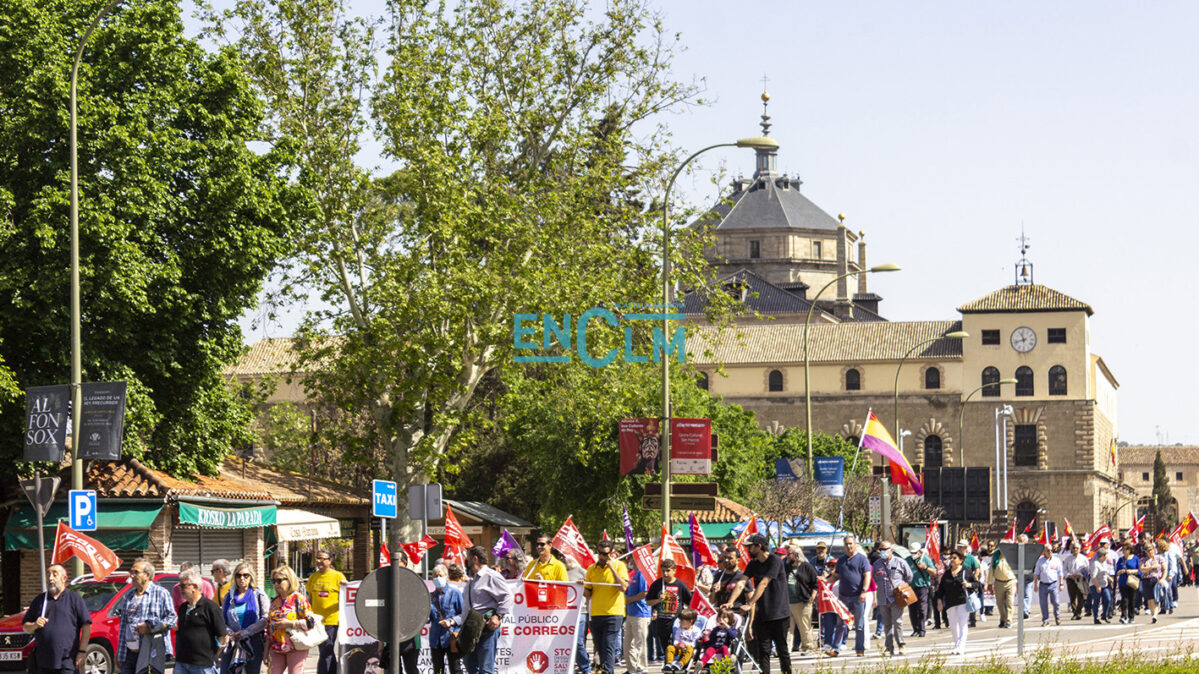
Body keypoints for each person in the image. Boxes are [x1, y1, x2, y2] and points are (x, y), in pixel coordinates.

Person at [23, 564, 91, 674]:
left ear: (64, 578)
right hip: (43, 662)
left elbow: (86, 626)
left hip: (67, 661)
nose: (50, 578)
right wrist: (35, 624)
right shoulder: (39, 601)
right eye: (48, 574)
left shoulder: (74, 599)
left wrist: (82, 651)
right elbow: (26, 627)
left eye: (55, 574)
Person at [740, 534, 792, 674]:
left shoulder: (774, 561)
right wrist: (730, 602)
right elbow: (742, 582)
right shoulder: (753, 564)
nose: (747, 549)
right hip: (762, 614)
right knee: (763, 650)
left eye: (750, 546)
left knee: (782, 650)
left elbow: (763, 584)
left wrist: (749, 603)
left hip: (779, 613)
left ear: (759, 546)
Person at [116, 559, 178, 674]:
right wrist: (120, 654)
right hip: (129, 653)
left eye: (136, 572)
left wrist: (151, 628)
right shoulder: (129, 596)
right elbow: (124, 626)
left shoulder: (161, 593)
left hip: (150, 652)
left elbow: (172, 619)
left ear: (147, 575)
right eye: (131, 572)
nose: (132, 575)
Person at [463, 545, 515, 674]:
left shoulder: (491, 576)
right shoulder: (472, 579)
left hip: (486, 629)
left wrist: (498, 616)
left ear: (475, 558)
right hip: (470, 630)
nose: (466, 561)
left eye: (467, 558)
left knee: (486, 670)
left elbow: (507, 596)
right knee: (470, 666)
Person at [175, 567, 228, 674]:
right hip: (181, 663)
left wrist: (215, 655)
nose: (179, 589)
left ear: (194, 586)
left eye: (183, 586)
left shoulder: (210, 607)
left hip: (203, 664)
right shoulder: (183, 608)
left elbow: (223, 636)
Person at [221, 562, 269, 674]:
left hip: (253, 641)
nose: (242, 578)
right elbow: (223, 620)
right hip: (232, 641)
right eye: (238, 575)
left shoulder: (258, 594)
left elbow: (265, 619)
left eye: (245, 575)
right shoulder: (229, 597)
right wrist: (230, 632)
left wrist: (245, 632)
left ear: (251, 576)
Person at [828, 534, 870, 657]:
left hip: (858, 596)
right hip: (844, 597)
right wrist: (825, 580)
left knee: (859, 625)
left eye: (851, 543)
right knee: (841, 624)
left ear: (855, 544)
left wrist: (864, 591)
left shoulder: (862, 559)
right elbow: (836, 576)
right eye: (846, 544)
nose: (849, 546)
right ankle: (836, 649)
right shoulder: (841, 560)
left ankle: (859, 648)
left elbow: (867, 575)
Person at [267, 566, 314, 674]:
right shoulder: (274, 602)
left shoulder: (299, 599)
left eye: (279, 581)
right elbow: (269, 628)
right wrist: (266, 651)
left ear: (289, 580)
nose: (276, 584)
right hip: (276, 647)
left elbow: (311, 623)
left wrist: (290, 623)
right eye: (274, 581)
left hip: (295, 647)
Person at [307, 549, 347, 674]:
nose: (319, 561)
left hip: (332, 620)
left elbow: (347, 594)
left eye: (323, 558)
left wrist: (347, 585)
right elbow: (310, 598)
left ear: (330, 560)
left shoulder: (337, 576)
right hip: (317, 621)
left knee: (326, 649)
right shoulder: (313, 577)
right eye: (317, 558)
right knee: (325, 650)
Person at [871, 540, 912, 657]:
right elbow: (875, 577)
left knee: (897, 621)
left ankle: (901, 645)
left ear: (891, 550)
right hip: (883, 598)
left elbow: (909, 576)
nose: (883, 552)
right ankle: (889, 647)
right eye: (881, 550)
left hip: (896, 598)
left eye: (885, 549)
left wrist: (901, 587)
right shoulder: (877, 564)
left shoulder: (900, 562)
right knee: (887, 624)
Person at [647, 559, 690, 669]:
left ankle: (679, 666)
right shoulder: (657, 584)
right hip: (661, 623)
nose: (665, 574)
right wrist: (658, 600)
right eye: (663, 571)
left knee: (677, 648)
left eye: (668, 571)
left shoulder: (680, 585)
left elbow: (690, 602)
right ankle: (668, 667)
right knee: (666, 649)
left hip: (676, 623)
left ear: (674, 571)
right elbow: (648, 602)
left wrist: (686, 617)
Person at [933, 550, 977, 656]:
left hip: (962, 601)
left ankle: (961, 646)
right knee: (953, 625)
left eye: (954, 558)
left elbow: (976, 584)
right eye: (951, 558)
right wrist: (939, 601)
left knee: (962, 624)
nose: (951, 560)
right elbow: (941, 589)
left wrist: (969, 584)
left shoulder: (966, 571)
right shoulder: (947, 573)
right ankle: (956, 645)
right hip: (950, 602)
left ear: (961, 560)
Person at [429, 564, 465, 674]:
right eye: (435, 576)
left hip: (451, 637)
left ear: (447, 577)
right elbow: (426, 618)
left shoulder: (455, 593)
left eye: (440, 575)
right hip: (436, 639)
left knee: (455, 669)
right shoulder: (430, 596)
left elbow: (463, 614)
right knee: (438, 670)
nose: (437, 578)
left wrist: (451, 621)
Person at [784, 545, 816, 653]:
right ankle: (786, 648)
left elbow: (815, 583)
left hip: (802, 601)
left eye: (790, 554)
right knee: (788, 628)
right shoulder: (786, 567)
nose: (787, 556)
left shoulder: (807, 567)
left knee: (804, 626)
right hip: (788, 602)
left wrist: (812, 596)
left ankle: (808, 646)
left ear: (796, 555)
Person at [564, 554, 592, 674]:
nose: (566, 558)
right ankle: (571, 666)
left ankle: (586, 667)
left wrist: (584, 585)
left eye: (568, 556)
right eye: (564, 556)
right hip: (564, 612)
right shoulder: (562, 572)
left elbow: (591, 592)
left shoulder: (583, 572)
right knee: (566, 641)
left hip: (581, 611)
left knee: (578, 641)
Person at [623, 566, 651, 674]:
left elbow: (644, 593)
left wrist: (628, 600)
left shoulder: (642, 573)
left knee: (640, 643)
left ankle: (642, 668)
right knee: (627, 644)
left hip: (641, 614)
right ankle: (631, 669)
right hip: (631, 613)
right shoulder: (634, 573)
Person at [1032, 544, 1064, 626]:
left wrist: (1061, 584)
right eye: (1048, 550)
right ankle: (1045, 620)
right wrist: (1035, 585)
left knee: (1056, 602)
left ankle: (1057, 617)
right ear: (1044, 552)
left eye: (1051, 550)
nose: (1050, 552)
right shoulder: (1040, 561)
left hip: (1053, 584)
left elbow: (1060, 573)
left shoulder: (1056, 560)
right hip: (1043, 584)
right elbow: (1036, 573)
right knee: (1043, 604)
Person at [905, 542, 933, 637]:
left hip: (922, 587)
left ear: (920, 551)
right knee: (912, 609)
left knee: (921, 608)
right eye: (912, 552)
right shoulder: (907, 560)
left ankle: (922, 629)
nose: (913, 554)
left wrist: (926, 567)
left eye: (915, 552)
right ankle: (915, 629)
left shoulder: (925, 559)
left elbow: (934, 571)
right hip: (910, 587)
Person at [662, 608, 700, 672]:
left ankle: (680, 664)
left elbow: (694, 643)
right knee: (670, 648)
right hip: (679, 648)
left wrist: (686, 645)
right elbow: (676, 639)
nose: (680, 622)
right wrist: (677, 644)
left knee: (690, 649)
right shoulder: (679, 629)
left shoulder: (696, 631)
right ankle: (669, 663)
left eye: (682, 621)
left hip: (688, 649)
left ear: (690, 621)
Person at [955, 541, 981, 627]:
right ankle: (961, 620)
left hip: (968, 582)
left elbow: (977, 569)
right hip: (958, 583)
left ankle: (972, 620)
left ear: (965, 548)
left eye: (961, 547)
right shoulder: (956, 558)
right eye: (958, 547)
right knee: (960, 602)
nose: (959, 548)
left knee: (970, 600)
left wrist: (974, 579)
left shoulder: (970, 558)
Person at [989, 547, 1017, 629]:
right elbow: (991, 570)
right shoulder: (996, 556)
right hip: (999, 583)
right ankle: (1003, 618)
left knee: (1010, 602)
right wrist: (990, 583)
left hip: (1010, 582)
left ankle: (1008, 621)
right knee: (1000, 603)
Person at [1115, 543, 1141, 624]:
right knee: (1125, 599)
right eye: (1122, 549)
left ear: (1129, 550)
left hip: (1132, 581)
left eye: (1125, 549)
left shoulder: (1135, 558)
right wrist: (1120, 572)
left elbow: (1140, 570)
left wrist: (1132, 571)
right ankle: (1123, 616)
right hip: (1123, 582)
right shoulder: (1120, 559)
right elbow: (1117, 571)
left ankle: (1131, 616)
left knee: (1132, 600)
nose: (1123, 551)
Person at [1139, 540, 1163, 623]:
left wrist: (1163, 578)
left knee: (1156, 598)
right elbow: (1142, 569)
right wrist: (1151, 567)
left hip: (1155, 580)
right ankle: (1153, 614)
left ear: (1154, 549)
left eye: (1150, 550)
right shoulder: (1143, 560)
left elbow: (1164, 568)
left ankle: (1155, 615)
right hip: (1146, 580)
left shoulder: (1159, 558)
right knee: (1149, 599)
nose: (1149, 552)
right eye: (1147, 551)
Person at [1063, 542, 1089, 620]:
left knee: (1081, 597)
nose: (1075, 549)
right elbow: (1064, 569)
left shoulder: (1083, 558)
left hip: (1080, 579)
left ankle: (1078, 612)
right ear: (1071, 549)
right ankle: (1075, 613)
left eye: (1077, 548)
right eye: (1074, 548)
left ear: (1080, 549)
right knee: (1072, 597)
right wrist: (1069, 575)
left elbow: (1087, 569)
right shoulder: (1068, 559)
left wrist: (1080, 574)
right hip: (1071, 580)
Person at [1088, 548, 1113, 625]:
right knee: (1097, 601)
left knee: (1108, 599)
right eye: (1106, 555)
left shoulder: (1104, 563)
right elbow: (1093, 576)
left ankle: (1104, 615)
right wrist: (1097, 586)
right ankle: (1096, 617)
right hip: (1095, 585)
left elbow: (1105, 573)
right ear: (1102, 556)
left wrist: (1109, 578)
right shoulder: (1095, 564)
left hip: (1104, 585)